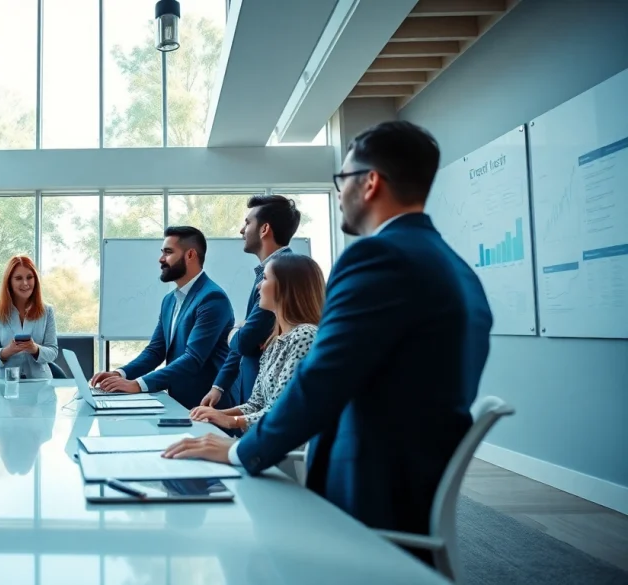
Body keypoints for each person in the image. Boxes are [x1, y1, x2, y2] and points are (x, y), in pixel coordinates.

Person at [163, 121, 493, 545]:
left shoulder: (376, 258)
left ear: (370, 182)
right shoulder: (458, 269)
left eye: (343, 179)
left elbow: (319, 383)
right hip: (413, 490)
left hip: (362, 498)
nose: (339, 193)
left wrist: (236, 449)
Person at [90, 226, 234, 409]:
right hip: (179, 405)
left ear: (190, 255)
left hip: (209, 408)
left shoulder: (212, 298)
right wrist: (121, 374)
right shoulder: (170, 301)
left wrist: (137, 385)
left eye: (168, 252)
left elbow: (192, 359)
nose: (161, 259)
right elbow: (155, 351)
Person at [189, 254, 324, 431]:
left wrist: (231, 421)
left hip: (288, 453)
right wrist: (214, 414)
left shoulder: (305, 335)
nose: (259, 286)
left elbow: (281, 411)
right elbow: (256, 405)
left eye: (265, 278)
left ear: (285, 287)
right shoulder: (275, 342)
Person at [200, 195, 302, 409]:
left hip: (268, 396)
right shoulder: (267, 273)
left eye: (247, 223)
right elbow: (246, 340)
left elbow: (245, 340)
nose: (242, 230)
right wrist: (218, 387)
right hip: (254, 395)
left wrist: (234, 331)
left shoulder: (281, 272)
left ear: (264, 229)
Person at [0, 255, 60, 380]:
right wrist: (9, 350)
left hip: (40, 385)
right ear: (9, 282)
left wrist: (35, 349)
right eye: (18, 278)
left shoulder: (47, 311)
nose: (25, 283)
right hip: (5, 386)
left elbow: (53, 352)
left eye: (29, 277)